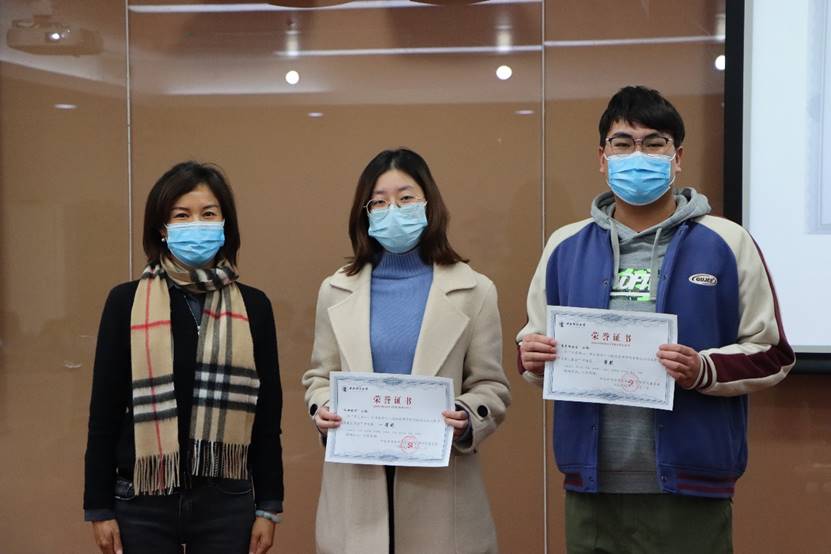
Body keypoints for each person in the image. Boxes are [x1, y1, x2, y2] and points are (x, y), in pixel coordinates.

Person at [517, 86, 795, 553]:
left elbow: (773, 353)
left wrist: (703, 369)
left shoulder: (726, 241)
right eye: (623, 143)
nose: (637, 155)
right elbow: (532, 343)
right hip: (592, 486)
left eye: (654, 143)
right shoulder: (565, 245)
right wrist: (532, 357)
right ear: (602, 158)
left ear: (677, 157)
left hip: (691, 487)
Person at [302, 148, 511, 554]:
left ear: (429, 204)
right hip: (358, 485)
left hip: (441, 493)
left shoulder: (475, 290)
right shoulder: (335, 290)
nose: (392, 210)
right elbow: (319, 377)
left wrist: (467, 416)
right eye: (379, 202)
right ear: (365, 213)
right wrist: (323, 408)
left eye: (406, 198)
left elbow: (491, 386)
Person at [83, 162, 284, 554]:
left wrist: (269, 506)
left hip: (226, 498)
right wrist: (99, 507)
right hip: (141, 497)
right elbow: (103, 413)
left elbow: (266, 416)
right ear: (162, 227)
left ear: (225, 223)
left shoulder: (254, 306)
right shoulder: (125, 302)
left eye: (208, 214)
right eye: (182, 215)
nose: (197, 224)